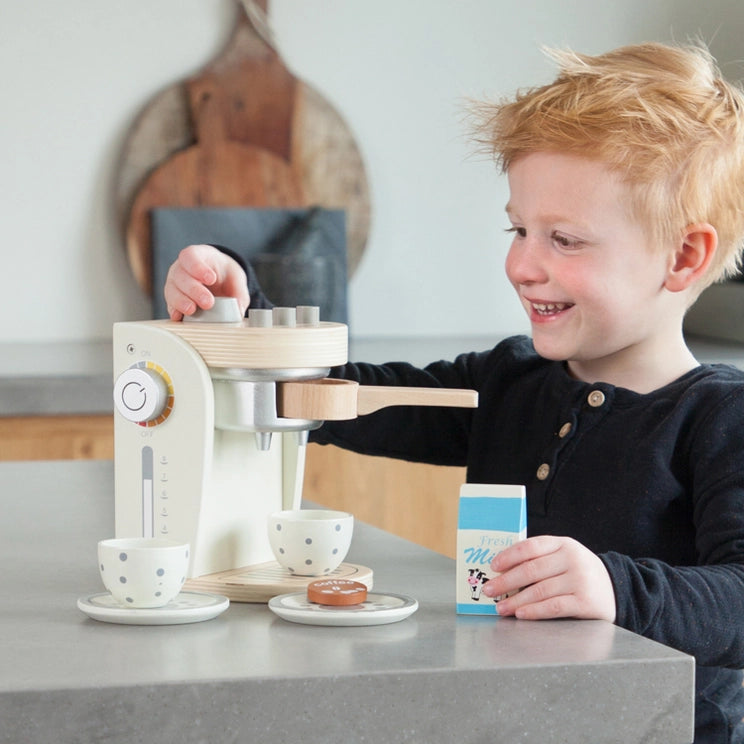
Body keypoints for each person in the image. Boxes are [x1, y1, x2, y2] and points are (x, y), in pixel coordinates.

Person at [164, 42, 744, 742]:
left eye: (564, 239)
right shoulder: (509, 382)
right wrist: (240, 309)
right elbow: (332, 397)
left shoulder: (719, 418)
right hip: (502, 720)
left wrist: (616, 590)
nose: (522, 264)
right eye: (519, 229)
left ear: (684, 257)